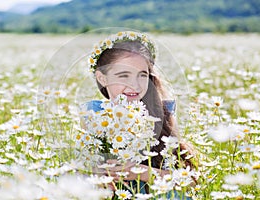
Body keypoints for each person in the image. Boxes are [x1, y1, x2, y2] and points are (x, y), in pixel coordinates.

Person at [84, 31, 196, 199]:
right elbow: (82, 173)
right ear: (102, 78)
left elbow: (191, 182)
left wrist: (143, 173)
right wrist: (97, 177)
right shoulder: (93, 115)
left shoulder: (163, 113)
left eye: (142, 75)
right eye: (123, 75)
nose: (134, 85)